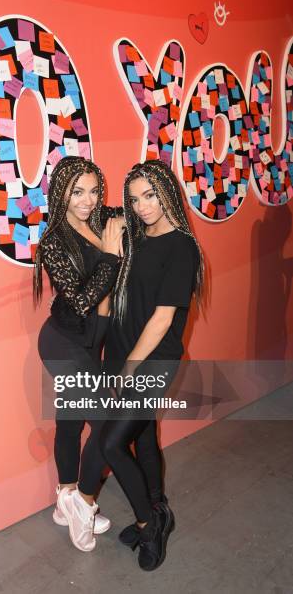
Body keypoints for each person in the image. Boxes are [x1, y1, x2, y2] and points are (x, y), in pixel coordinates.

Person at [100, 159, 204, 571]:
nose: (143, 206)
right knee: (143, 438)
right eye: (135, 199)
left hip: (151, 361)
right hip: (125, 351)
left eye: (150, 195)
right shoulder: (138, 238)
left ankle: (150, 523)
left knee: (111, 443)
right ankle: (160, 507)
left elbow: (163, 318)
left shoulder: (181, 246)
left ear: (167, 192)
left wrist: (129, 368)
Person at [33, 156, 124, 552]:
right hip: (63, 342)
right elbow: (83, 300)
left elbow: (134, 212)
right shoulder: (53, 241)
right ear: (61, 194)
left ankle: (62, 499)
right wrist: (111, 255)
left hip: (92, 341)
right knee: (109, 423)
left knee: (70, 424)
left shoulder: (100, 218)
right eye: (77, 192)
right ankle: (82, 504)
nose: (88, 200)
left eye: (93, 190)